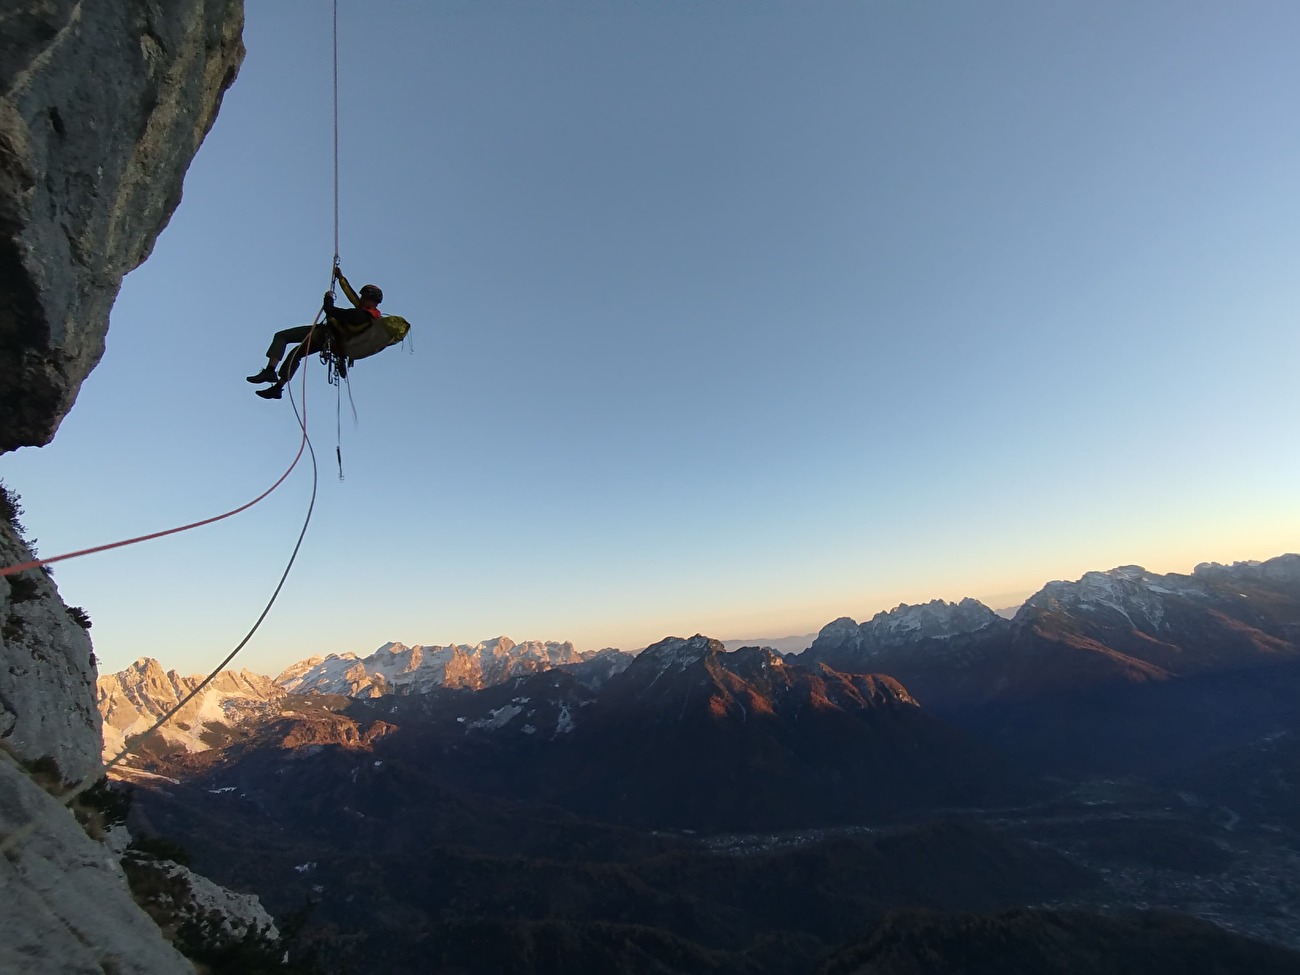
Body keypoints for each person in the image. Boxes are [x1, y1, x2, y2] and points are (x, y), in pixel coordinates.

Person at [246, 267, 385, 399]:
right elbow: (352, 297)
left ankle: (270, 371)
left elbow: (332, 311)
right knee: (296, 353)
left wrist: (328, 298)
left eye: (364, 297)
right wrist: (341, 278)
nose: (360, 299)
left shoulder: (360, 315)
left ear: (371, 300)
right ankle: (278, 387)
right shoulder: (372, 316)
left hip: (324, 335)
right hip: (331, 341)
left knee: (282, 336)